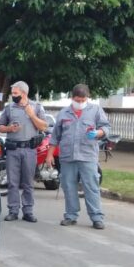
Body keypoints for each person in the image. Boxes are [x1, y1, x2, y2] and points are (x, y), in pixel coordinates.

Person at [46, 84, 112, 230]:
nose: (80, 102)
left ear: (87, 98)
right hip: (68, 157)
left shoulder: (95, 110)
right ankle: (71, 215)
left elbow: (106, 127)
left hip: (87, 156)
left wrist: (99, 133)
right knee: (69, 187)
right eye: (78, 100)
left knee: (91, 187)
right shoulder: (63, 113)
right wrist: (49, 155)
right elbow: (55, 137)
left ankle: (96, 217)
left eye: (83, 100)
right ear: (72, 98)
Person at [0, 81, 48, 222]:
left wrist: (32, 115)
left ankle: (28, 211)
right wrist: (9, 129)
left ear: (24, 93)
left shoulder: (37, 107)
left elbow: (44, 126)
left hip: (29, 150)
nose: (13, 96)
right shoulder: (9, 108)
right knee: (12, 182)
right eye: (12, 93)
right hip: (13, 149)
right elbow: (0, 127)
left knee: (28, 182)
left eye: (15, 93)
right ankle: (13, 210)